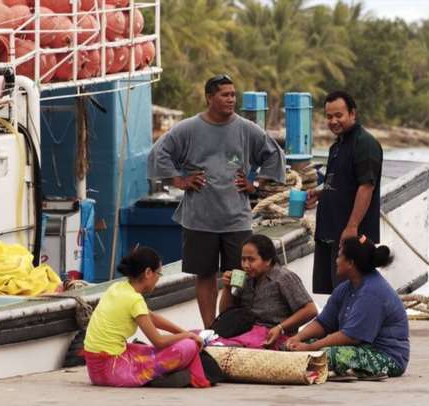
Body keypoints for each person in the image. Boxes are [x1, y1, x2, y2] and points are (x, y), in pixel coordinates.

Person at [147, 74, 286, 328]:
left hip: (237, 218)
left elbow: (274, 155)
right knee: (205, 274)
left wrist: (256, 184)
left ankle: (231, 325)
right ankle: (211, 329)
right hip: (199, 218)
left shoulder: (246, 128)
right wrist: (180, 181)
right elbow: (159, 152)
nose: (231, 99)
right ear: (209, 97)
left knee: (239, 277)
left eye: (233, 94)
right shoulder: (188, 128)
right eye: (225, 94)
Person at [83, 246, 209, 388]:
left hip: (96, 370)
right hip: (112, 371)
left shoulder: (117, 287)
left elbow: (152, 317)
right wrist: (188, 336)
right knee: (189, 346)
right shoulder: (134, 299)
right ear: (148, 272)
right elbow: (159, 341)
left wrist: (185, 333)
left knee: (187, 338)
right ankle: (162, 377)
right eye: (158, 274)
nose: (158, 280)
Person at [285, 235, 409, 380]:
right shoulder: (345, 288)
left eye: (339, 257)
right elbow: (323, 322)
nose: (336, 261)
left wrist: (310, 348)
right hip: (358, 348)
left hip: (385, 356)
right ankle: (348, 370)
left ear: (350, 263)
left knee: (326, 355)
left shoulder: (372, 292)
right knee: (295, 346)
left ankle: (355, 370)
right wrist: (297, 338)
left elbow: (351, 337)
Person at [308, 90, 384, 294]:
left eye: (338, 115)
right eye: (329, 116)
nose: (333, 121)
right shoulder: (337, 146)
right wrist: (320, 193)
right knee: (335, 293)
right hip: (329, 232)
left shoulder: (364, 143)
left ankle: (351, 327)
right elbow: (341, 182)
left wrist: (352, 227)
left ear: (352, 113)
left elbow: (367, 186)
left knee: (351, 292)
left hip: (350, 236)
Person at [216, 234, 318, 349]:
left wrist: (280, 328)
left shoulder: (283, 278)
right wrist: (227, 288)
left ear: (268, 260)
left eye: (251, 260)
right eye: (243, 259)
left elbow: (310, 310)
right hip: (245, 332)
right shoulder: (247, 279)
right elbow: (225, 313)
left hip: (272, 337)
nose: (245, 265)